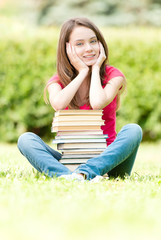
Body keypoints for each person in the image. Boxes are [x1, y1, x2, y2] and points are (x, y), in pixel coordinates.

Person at [17, 17, 142, 181]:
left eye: (93, 41)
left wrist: (96, 68)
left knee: (134, 130)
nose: (89, 48)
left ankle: (83, 174)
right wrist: (82, 72)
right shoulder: (58, 81)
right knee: (26, 140)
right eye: (80, 44)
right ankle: (70, 176)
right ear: (67, 49)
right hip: (71, 161)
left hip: (110, 161)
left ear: (101, 44)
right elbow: (58, 104)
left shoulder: (113, 75)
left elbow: (97, 103)